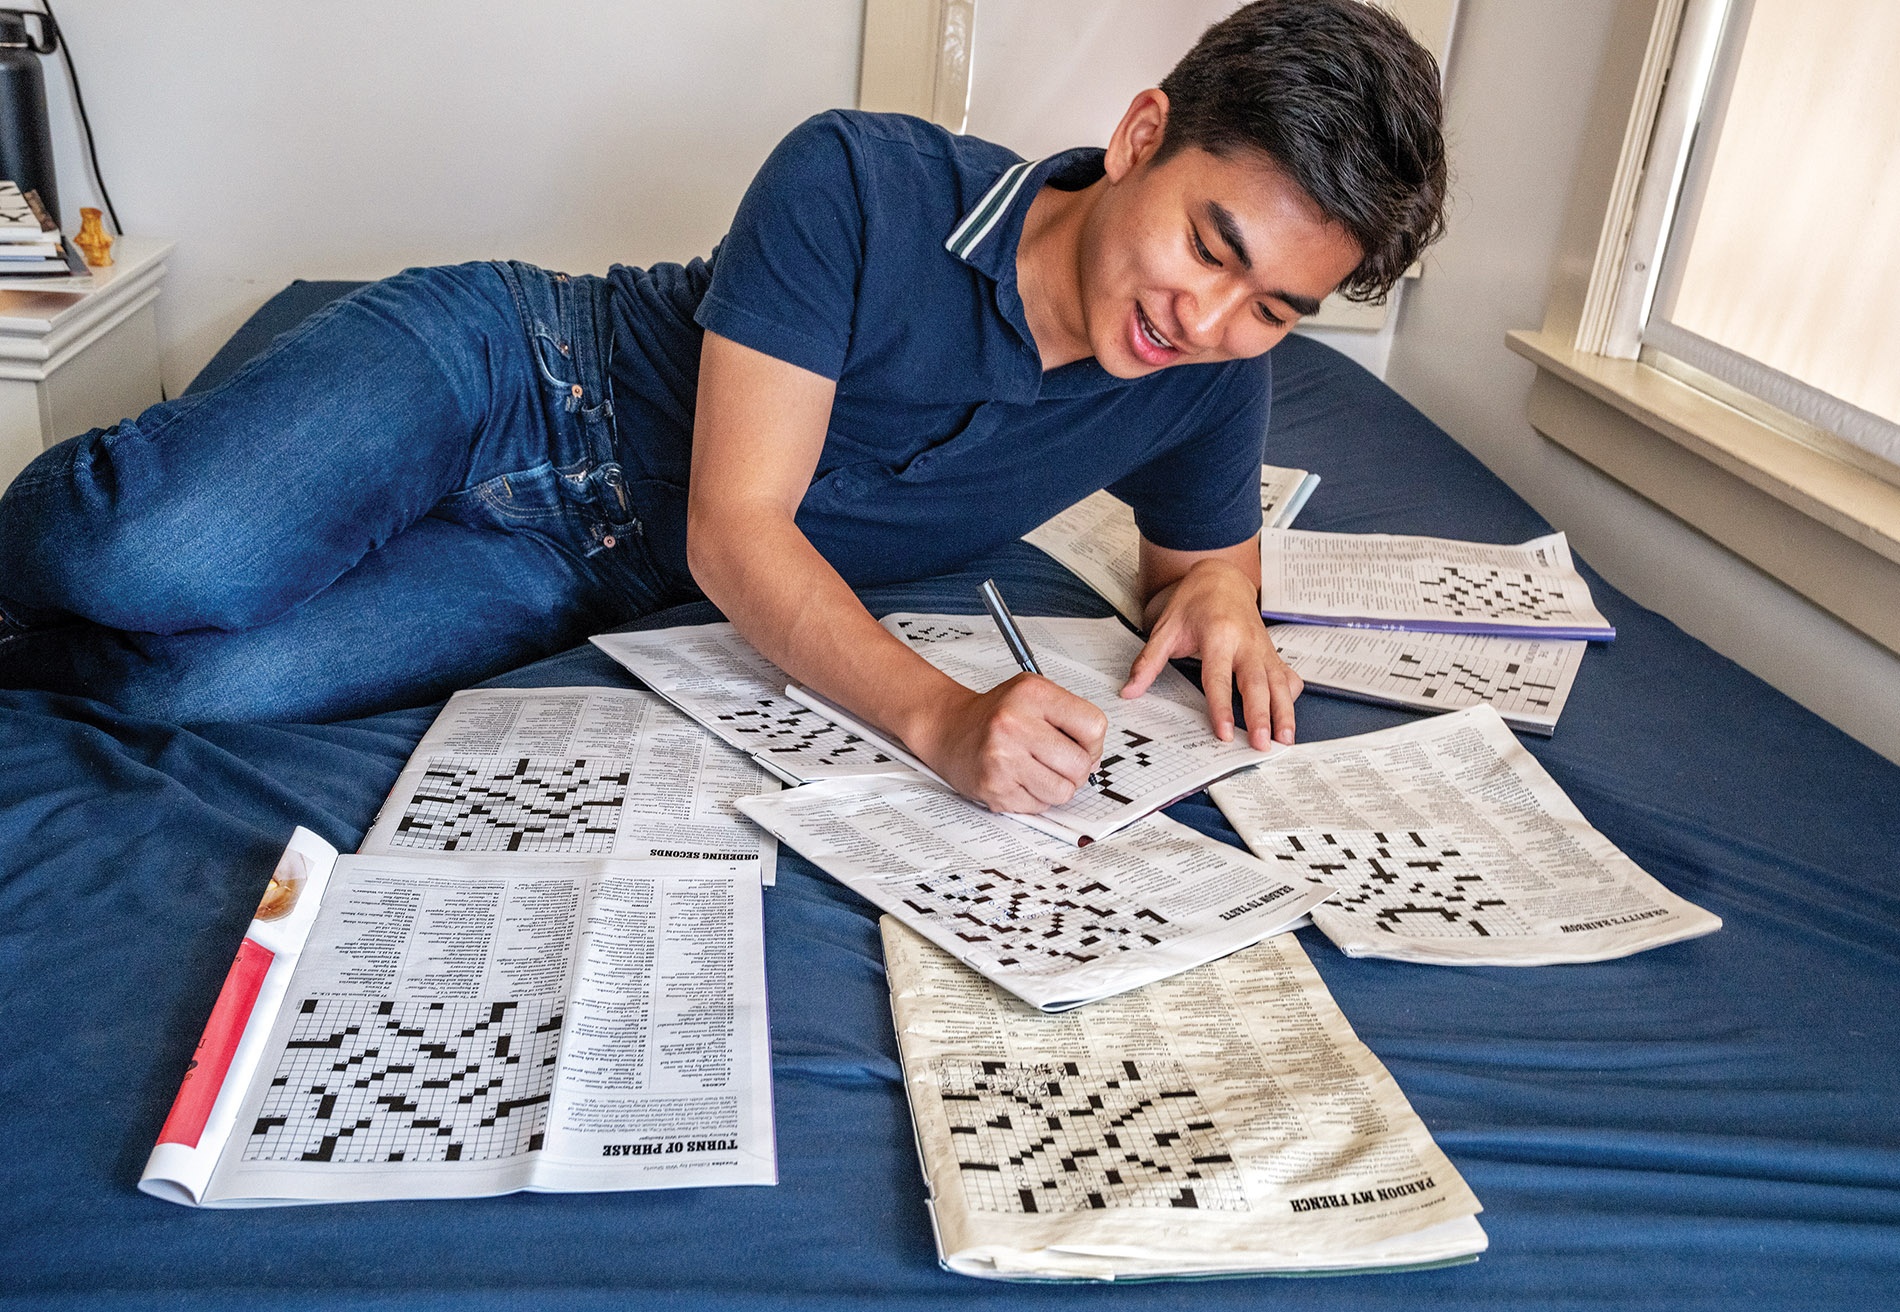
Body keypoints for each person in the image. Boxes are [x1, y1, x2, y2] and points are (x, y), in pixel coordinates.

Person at [0, 0, 1445, 815]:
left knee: (187, 692)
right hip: (513, 370)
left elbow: (1201, 563)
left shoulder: (1210, 379)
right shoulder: (863, 181)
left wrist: (1222, 603)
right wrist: (944, 723)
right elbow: (739, 530)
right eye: (1211, 246)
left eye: (1272, 307)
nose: (1207, 320)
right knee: (154, 562)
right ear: (1141, 139)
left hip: (569, 568)